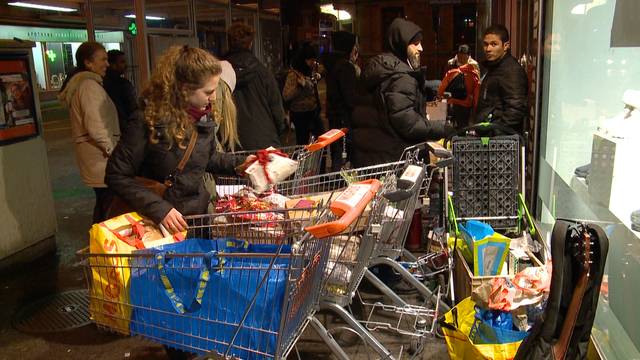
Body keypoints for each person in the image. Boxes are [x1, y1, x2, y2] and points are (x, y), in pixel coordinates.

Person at [105, 46, 247, 234]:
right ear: (184, 89)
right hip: (160, 229)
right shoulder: (147, 121)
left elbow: (208, 158)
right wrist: (160, 209)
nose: (214, 97)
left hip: (196, 221)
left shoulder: (203, 117)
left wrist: (243, 164)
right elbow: (116, 175)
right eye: (208, 92)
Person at [351, 18, 450, 167]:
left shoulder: (383, 70)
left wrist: (425, 91)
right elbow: (408, 124)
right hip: (393, 158)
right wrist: (442, 128)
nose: (421, 48)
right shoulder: (401, 77)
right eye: (415, 43)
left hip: (371, 156)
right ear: (401, 45)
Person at [58, 42, 120, 224]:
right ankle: (104, 248)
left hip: (96, 158)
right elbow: (96, 126)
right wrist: (113, 152)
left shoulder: (86, 84)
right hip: (101, 158)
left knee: (104, 204)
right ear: (88, 63)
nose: (107, 64)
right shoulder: (88, 87)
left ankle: (100, 247)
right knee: (109, 207)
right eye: (103, 59)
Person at [225, 23, 286, 150]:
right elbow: (277, 109)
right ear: (250, 44)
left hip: (232, 143)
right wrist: (280, 133)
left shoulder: (220, 73)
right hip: (265, 140)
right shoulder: (262, 72)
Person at [324, 31, 367, 171]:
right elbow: (351, 97)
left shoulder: (331, 64)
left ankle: (336, 180)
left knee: (336, 151)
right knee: (348, 153)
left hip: (334, 115)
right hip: (345, 118)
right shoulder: (345, 67)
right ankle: (343, 184)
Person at [475, 25, 528, 135]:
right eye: (485, 44)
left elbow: (515, 110)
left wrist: (495, 134)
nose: (488, 49)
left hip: (501, 143)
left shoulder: (511, 70)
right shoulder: (495, 67)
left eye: (494, 44)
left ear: (506, 46)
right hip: (492, 139)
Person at [283, 42, 325, 146]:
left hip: (313, 111)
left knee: (322, 140)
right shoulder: (293, 74)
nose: (313, 62)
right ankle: (301, 162)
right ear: (303, 59)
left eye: (314, 59)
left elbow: (314, 83)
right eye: (310, 60)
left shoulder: (310, 70)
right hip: (300, 114)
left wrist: (317, 77)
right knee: (302, 144)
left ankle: (320, 162)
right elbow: (286, 95)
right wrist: (299, 87)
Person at [103, 49, 137, 133]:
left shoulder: (103, 82)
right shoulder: (122, 84)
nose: (126, 65)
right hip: (124, 126)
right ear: (112, 64)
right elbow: (132, 107)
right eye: (122, 62)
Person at [438, 63, 480, 129]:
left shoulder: (452, 72)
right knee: (463, 127)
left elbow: (441, 88)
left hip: (452, 103)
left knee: (450, 126)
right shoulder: (474, 77)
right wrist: (475, 108)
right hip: (466, 106)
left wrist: (440, 96)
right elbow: (476, 96)